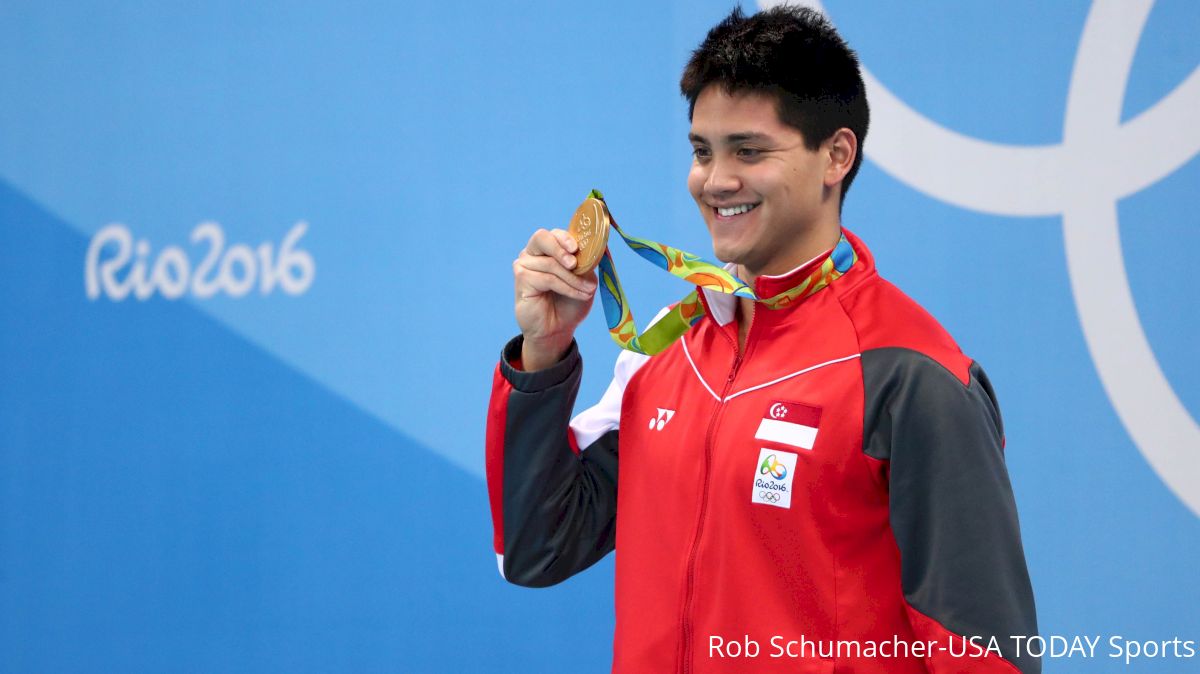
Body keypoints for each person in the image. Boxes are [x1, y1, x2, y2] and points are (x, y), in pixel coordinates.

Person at [486, 6, 1039, 673]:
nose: (715, 181)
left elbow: (985, 657)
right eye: (702, 151)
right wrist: (543, 359)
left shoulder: (908, 375)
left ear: (836, 155)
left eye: (749, 151)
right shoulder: (670, 349)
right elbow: (540, 547)